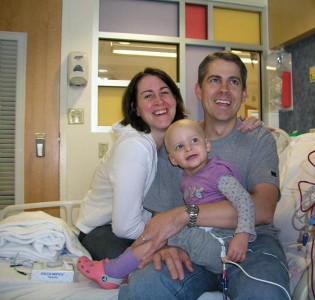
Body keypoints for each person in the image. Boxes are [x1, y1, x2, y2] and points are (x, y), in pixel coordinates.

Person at [119, 51, 291, 299]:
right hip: (193, 248)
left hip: (252, 243)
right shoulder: (177, 140)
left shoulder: (258, 138)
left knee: (265, 293)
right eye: (214, 80)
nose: (223, 89)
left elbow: (263, 209)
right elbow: (161, 217)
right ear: (199, 91)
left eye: (233, 82)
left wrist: (183, 215)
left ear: (243, 94)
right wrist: (165, 245)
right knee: (145, 286)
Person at [77, 119, 256, 289]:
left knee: (159, 232)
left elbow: (245, 200)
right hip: (205, 241)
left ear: (207, 145)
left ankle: (114, 271)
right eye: (180, 146)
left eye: (194, 140)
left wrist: (242, 235)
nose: (188, 148)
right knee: (159, 232)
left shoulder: (218, 173)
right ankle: (119, 270)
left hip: (222, 246)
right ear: (173, 159)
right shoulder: (188, 179)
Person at [75, 67, 187, 264]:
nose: (159, 101)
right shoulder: (134, 146)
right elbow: (124, 227)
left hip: (136, 228)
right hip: (103, 231)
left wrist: (243, 125)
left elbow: (204, 135)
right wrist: (165, 238)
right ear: (135, 108)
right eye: (148, 96)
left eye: (164, 92)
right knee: (155, 269)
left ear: (175, 100)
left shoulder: (170, 143)